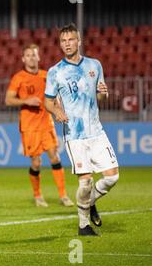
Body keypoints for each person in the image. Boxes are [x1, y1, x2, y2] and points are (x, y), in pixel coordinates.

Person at [44, 23, 119, 236]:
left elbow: (101, 96)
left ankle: (89, 202)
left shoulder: (95, 65)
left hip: (96, 131)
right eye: (63, 41)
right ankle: (83, 225)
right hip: (75, 135)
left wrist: (104, 93)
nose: (67, 44)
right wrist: (56, 112)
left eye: (71, 40)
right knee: (85, 182)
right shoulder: (55, 72)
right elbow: (48, 102)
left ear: (79, 41)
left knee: (112, 178)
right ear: (60, 44)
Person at [5, 44, 74, 208]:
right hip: (29, 126)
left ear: (38, 57)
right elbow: (8, 100)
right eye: (28, 55)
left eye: (33, 55)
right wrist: (25, 101)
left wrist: (58, 111)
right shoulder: (18, 77)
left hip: (46, 123)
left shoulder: (46, 75)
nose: (31, 57)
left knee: (55, 157)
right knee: (36, 162)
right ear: (23, 59)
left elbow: (54, 97)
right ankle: (37, 196)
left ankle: (63, 195)